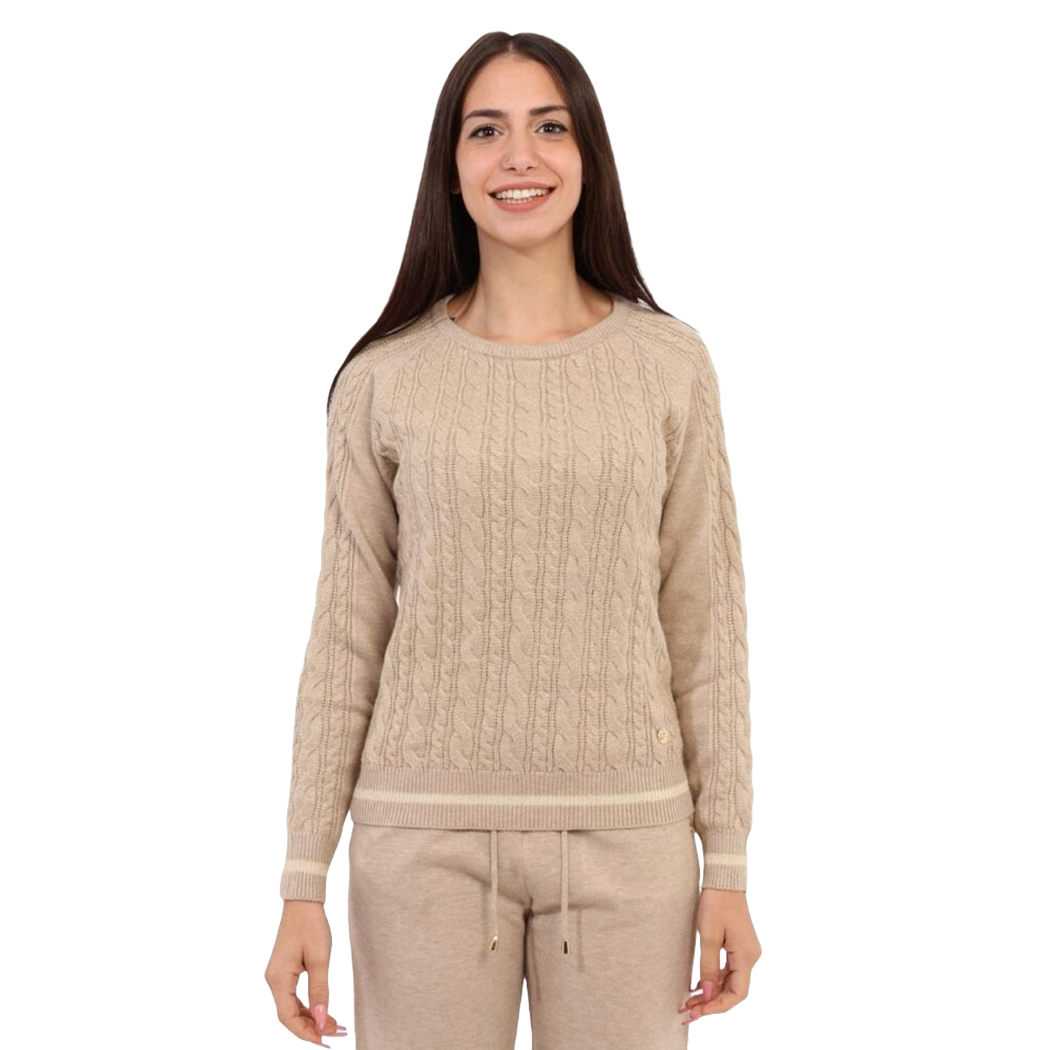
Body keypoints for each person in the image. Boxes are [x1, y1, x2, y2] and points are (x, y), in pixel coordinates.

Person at [264, 30, 761, 1050]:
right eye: (486, 131)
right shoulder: (384, 379)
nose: (519, 156)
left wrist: (729, 864)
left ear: (589, 157)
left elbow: (705, 625)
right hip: (421, 843)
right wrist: (302, 879)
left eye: (550, 127)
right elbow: (346, 636)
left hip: (631, 839)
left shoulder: (669, 366)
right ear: (451, 167)